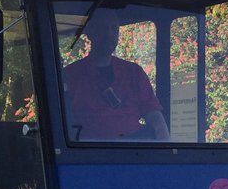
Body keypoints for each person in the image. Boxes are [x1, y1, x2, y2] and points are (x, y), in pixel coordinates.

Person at [62, 9, 169, 141]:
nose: (109, 34)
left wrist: (165, 147)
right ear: (90, 33)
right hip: (89, 149)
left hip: (133, 149)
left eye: (114, 28)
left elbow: (155, 117)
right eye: (103, 28)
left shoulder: (134, 72)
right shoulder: (71, 75)